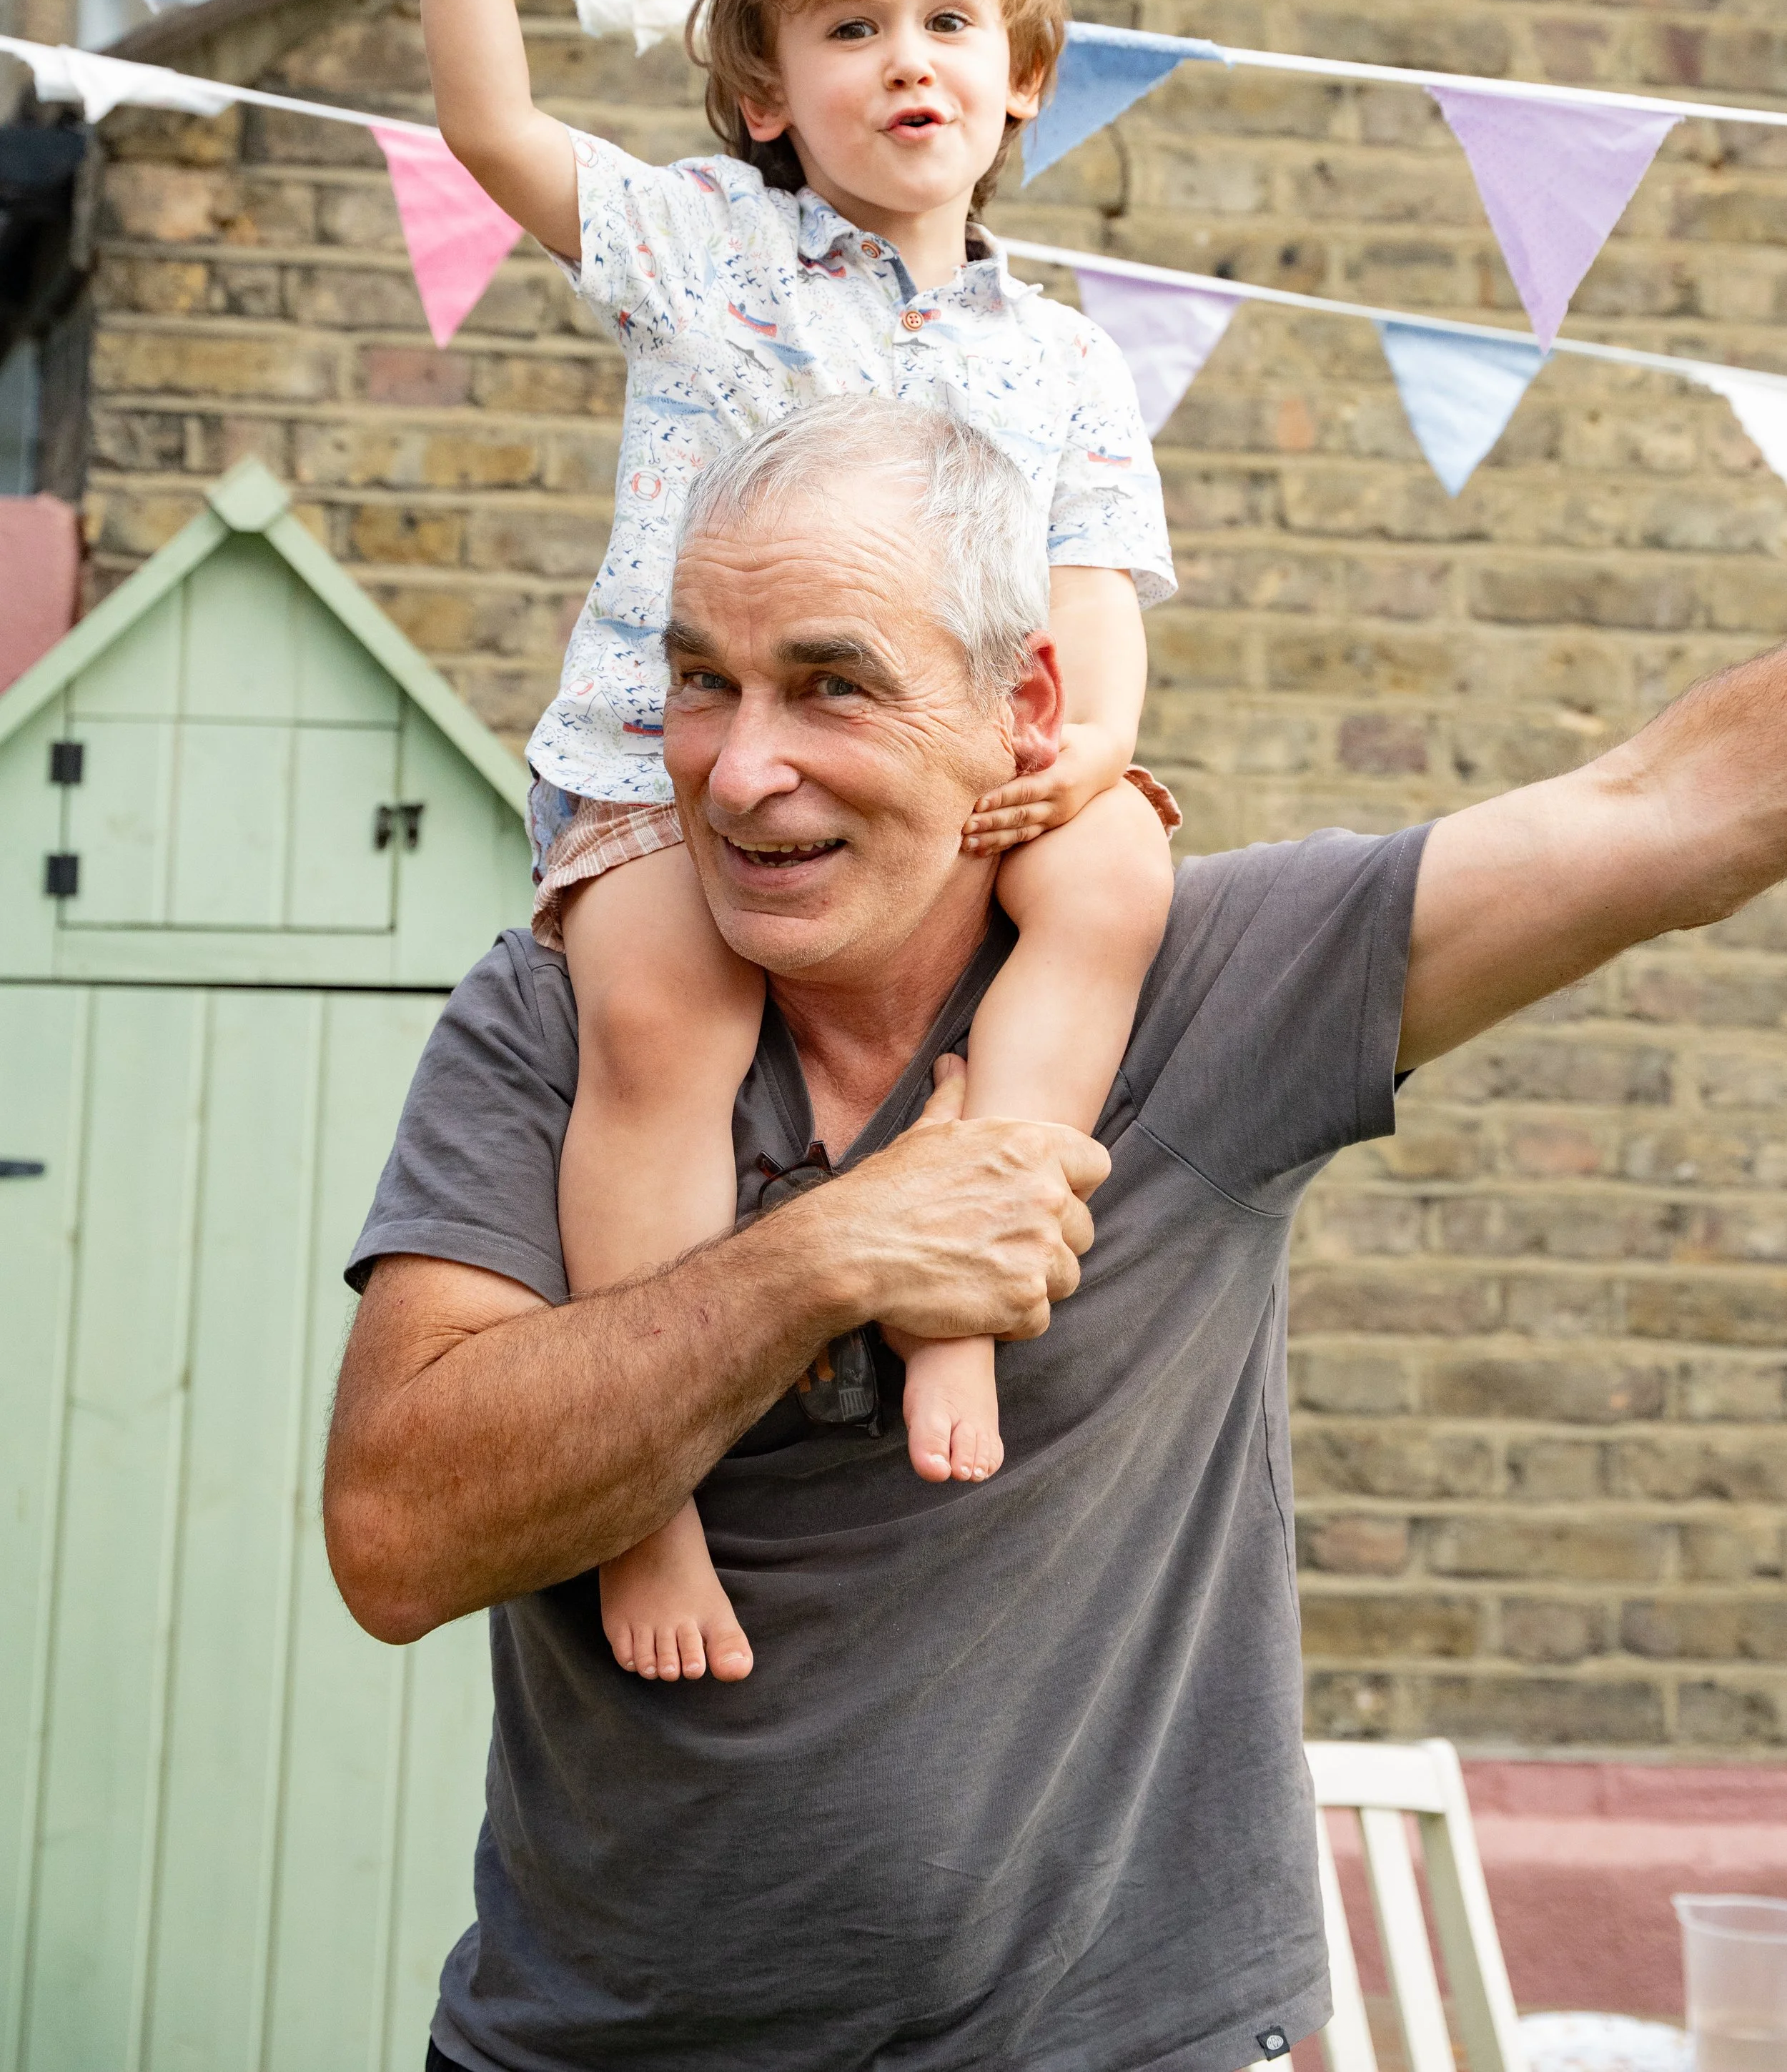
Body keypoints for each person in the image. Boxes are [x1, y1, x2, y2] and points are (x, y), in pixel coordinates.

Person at [327, 397, 1787, 2072]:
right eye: (699, 681)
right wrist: (826, 1256)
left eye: (830, 684)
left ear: (1018, 706)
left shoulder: (1212, 988)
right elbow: (396, 1528)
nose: (738, 770)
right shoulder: (562, 1013)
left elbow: (1666, 813)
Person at [417, 0, 1181, 1686]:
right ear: (767, 93)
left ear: (1018, 85)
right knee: (661, 1016)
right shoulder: (705, 245)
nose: (904, 58)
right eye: (849, 30)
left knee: (1114, 878)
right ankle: (644, 1489)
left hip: (951, 787)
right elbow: (497, 132)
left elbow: (1094, 593)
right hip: (665, 786)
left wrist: (1084, 748)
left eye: (947, 24)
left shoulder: (1068, 359)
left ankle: (965, 1240)